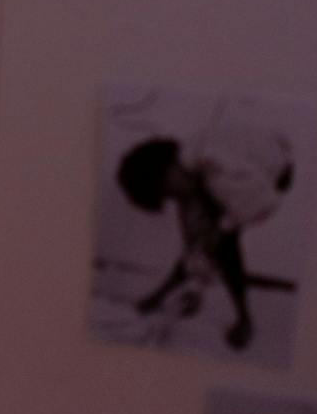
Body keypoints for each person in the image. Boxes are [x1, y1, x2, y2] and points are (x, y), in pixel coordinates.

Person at [116, 119, 293, 350]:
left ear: (166, 168)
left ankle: (244, 319)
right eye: (169, 197)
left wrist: (222, 228)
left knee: (223, 241)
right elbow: (198, 235)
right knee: (202, 229)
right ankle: (182, 289)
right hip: (259, 157)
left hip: (276, 171)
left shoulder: (213, 170)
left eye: (169, 192)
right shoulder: (193, 156)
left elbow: (265, 202)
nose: (175, 198)